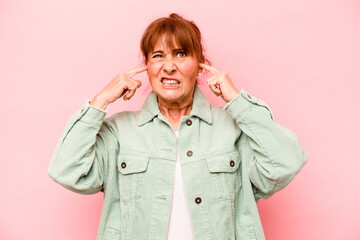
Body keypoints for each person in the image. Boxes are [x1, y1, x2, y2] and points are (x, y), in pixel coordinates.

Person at [48, 13, 308, 240]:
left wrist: (237, 101)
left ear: (200, 66)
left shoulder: (233, 129)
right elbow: (65, 170)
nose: (169, 66)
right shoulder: (119, 132)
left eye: (181, 54)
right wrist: (100, 100)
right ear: (147, 67)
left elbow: (285, 162)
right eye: (158, 56)